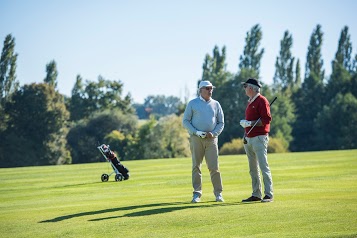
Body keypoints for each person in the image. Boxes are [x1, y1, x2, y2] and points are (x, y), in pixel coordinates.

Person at [182, 80, 225, 203]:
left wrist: (214, 133)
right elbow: (185, 121)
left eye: (211, 88)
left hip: (211, 140)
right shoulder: (192, 103)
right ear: (200, 90)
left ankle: (218, 194)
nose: (210, 90)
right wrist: (196, 132)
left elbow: (221, 122)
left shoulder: (216, 104)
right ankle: (197, 194)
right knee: (196, 166)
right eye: (207, 88)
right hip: (196, 139)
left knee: (214, 167)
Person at [240, 78, 274, 203]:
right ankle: (256, 194)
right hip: (249, 138)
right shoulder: (250, 101)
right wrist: (246, 131)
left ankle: (269, 194)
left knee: (263, 167)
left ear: (251, 88)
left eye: (245, 86)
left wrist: (249, 123)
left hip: (259, 138)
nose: (244, 89)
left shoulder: (262, 101)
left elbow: (266, 120)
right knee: (253, 168)